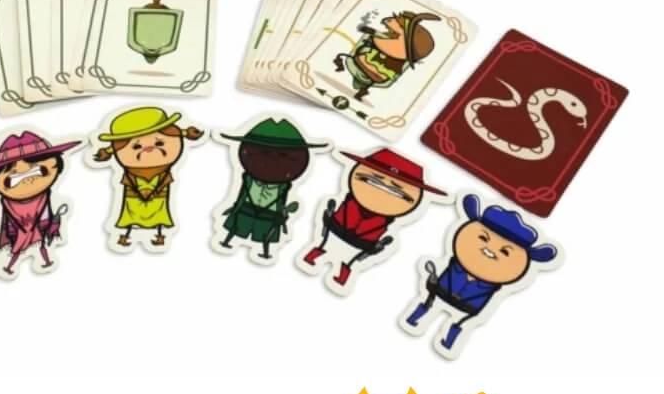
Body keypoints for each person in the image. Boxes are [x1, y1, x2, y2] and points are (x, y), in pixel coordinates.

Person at [404, 194, 558, 352]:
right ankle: (415, 317)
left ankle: (449, 339)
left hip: (469, 307)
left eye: (505, 252)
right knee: (430, 303)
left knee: (459, 321)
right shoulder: (456, 266)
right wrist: (432, 279)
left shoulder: (491, 284)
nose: (490, 249)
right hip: (442, 291)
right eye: (483, 238)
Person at [302, 148, 447, 287]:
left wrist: (377, 247)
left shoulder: (385, 219)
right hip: (337, 230)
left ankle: (342, 272)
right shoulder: (349, 204)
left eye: (396, 192)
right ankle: (316, 255)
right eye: (372, 181)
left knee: (348, 259)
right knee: (327, 247)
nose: (382, 193)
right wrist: (328, 217)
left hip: (360, 243)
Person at [0, 130, 81, 276]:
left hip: (40, 229)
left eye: (38, 171)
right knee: (18, 251)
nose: (28, 180)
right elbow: (9, 224)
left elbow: (48, 215)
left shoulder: (46, 197)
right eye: (14, 178)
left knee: (41, 246)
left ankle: (44, 261)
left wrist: (54, 221)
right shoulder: (7, 205)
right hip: (19, 233)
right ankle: (10, 266)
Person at [218, 117, 329, 259]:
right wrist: (236, 206)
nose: (273, 159)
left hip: (269, 213)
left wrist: (283, 213)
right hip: (246, 207)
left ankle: (265, 252)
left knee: (265, 235)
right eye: (265, 153)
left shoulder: (283, 186)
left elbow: (283, 200)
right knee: (236, 227)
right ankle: (227, 241)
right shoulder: (248, 178)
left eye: (283, 155)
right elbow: (242, 192)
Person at [93, 107, 203, 248]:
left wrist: (156, 189)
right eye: (136, 147)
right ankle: (125, 236)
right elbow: (127, 181)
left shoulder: (165, 173)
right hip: (133, 199)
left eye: (159, 143)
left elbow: (166, 180)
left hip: (158, 199)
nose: (149, 149)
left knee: (159, 216)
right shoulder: (129, 175)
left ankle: (159, 235)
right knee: (130, 216)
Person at [333, 11, 440, 101]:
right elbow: (380, 38)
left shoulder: (398, 47)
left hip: (374, 69)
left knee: (355, 57)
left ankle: (353, 78)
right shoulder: (392, 41)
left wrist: (372, 37)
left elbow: (381, 42)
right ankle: (360, 85)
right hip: (373, 69)